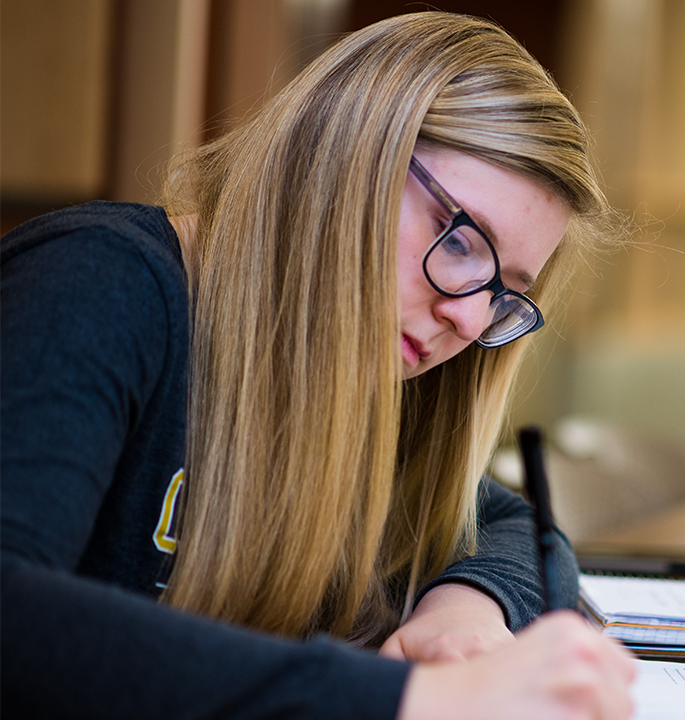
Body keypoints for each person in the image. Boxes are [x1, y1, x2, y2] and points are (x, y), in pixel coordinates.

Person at [0, 11, 635, 720]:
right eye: (461, 242)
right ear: (346, 156)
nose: (470, 318)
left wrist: (467, 613)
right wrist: (410, 697)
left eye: (504, 293)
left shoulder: (344, 379)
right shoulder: (100, 283)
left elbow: (508, 523)